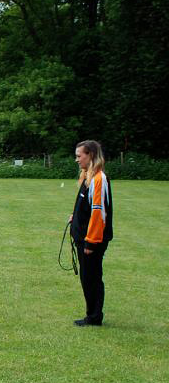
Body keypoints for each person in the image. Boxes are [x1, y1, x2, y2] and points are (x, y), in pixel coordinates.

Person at [69, 140, 113, 326]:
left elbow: (98, 212)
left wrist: (91, 242)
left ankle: (94, 317)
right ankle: (91, 314)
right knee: (87, 277)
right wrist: (75, 216)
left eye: (80, 156)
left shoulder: (99, 179)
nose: (77, 160)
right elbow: (86, 207)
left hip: (92, 241)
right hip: (83, 238)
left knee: (92, 278)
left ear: (91, 155)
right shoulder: (88, 177)